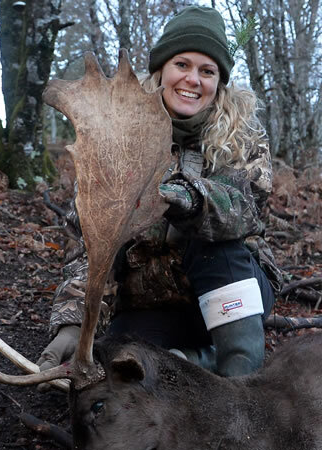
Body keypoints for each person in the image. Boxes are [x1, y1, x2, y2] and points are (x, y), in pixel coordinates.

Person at [38, 6, 282, 378]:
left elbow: (243, 209)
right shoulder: (115, 139)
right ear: (162, 71)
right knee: (120, 370)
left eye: (207, 71)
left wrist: (193, 201)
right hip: (149, 302)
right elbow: (90, 241)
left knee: (218, 247)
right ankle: (197, 364)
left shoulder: (244, 140)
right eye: (182, 65)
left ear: (220, 81)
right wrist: (72, 324)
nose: (193, 80)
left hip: (230, 291)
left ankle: (241, 384)